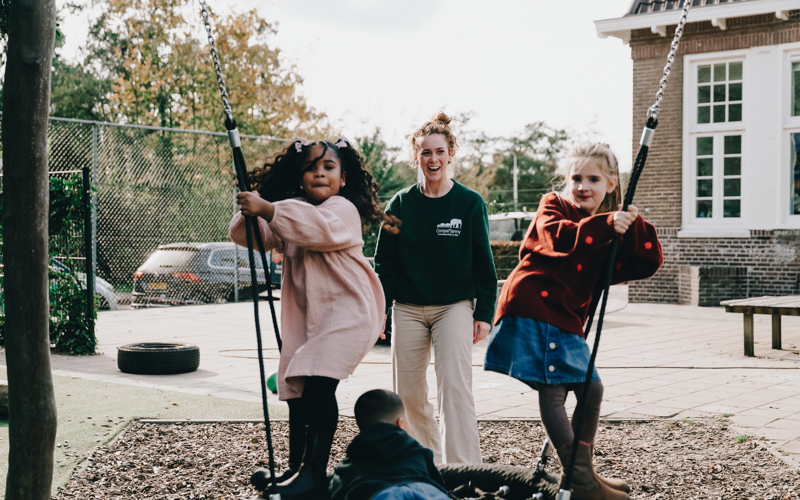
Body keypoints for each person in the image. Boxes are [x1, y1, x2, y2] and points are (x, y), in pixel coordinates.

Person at [484, 143, 663, 500]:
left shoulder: (608, 228)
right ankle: (580, 480)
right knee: (554, 390)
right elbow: (559, 238)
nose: (583, 186)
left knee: (591, 388)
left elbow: (646, 262)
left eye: (593, 179)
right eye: (576, 177)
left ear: (611, 185)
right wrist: (608, 223)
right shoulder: (555, 207)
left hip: (564, 320)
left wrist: (633, 222)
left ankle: (582, 473)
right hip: (534, 307)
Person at [231, 137, 391, 497]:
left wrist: (270, 209)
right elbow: (247, 234)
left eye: (328, 167)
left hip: (350, 313)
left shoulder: (342, 210)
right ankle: (297, 470)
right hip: (311, 321)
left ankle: (314, 476)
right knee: (298, 391)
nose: (320, 173)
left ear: (344, 178)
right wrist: (251, 207)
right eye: (311, 167)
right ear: (300, 176)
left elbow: (316, 228)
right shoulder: (292, 211)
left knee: (319, 384)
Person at [373, 112, 497, 464]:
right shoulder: (400, 204)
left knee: (455, 388)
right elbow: (385, 266)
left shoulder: (470, 203)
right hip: (408, 308)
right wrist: (380, 311)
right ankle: (426, 466)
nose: (433, 159)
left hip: (453, 307)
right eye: (425, 153)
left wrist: (484, 313)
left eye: (439, 151)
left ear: (450, 154)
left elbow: (483, 265)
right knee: (408, 394)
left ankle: (464, 470)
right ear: (416, 158)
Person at [329, 389, 450, 500]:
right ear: (400, 424)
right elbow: (438, 483)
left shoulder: (352, 459)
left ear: (360, 430)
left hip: (378, 493)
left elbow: (338, 491)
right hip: (422, 491)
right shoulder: (416, 452)